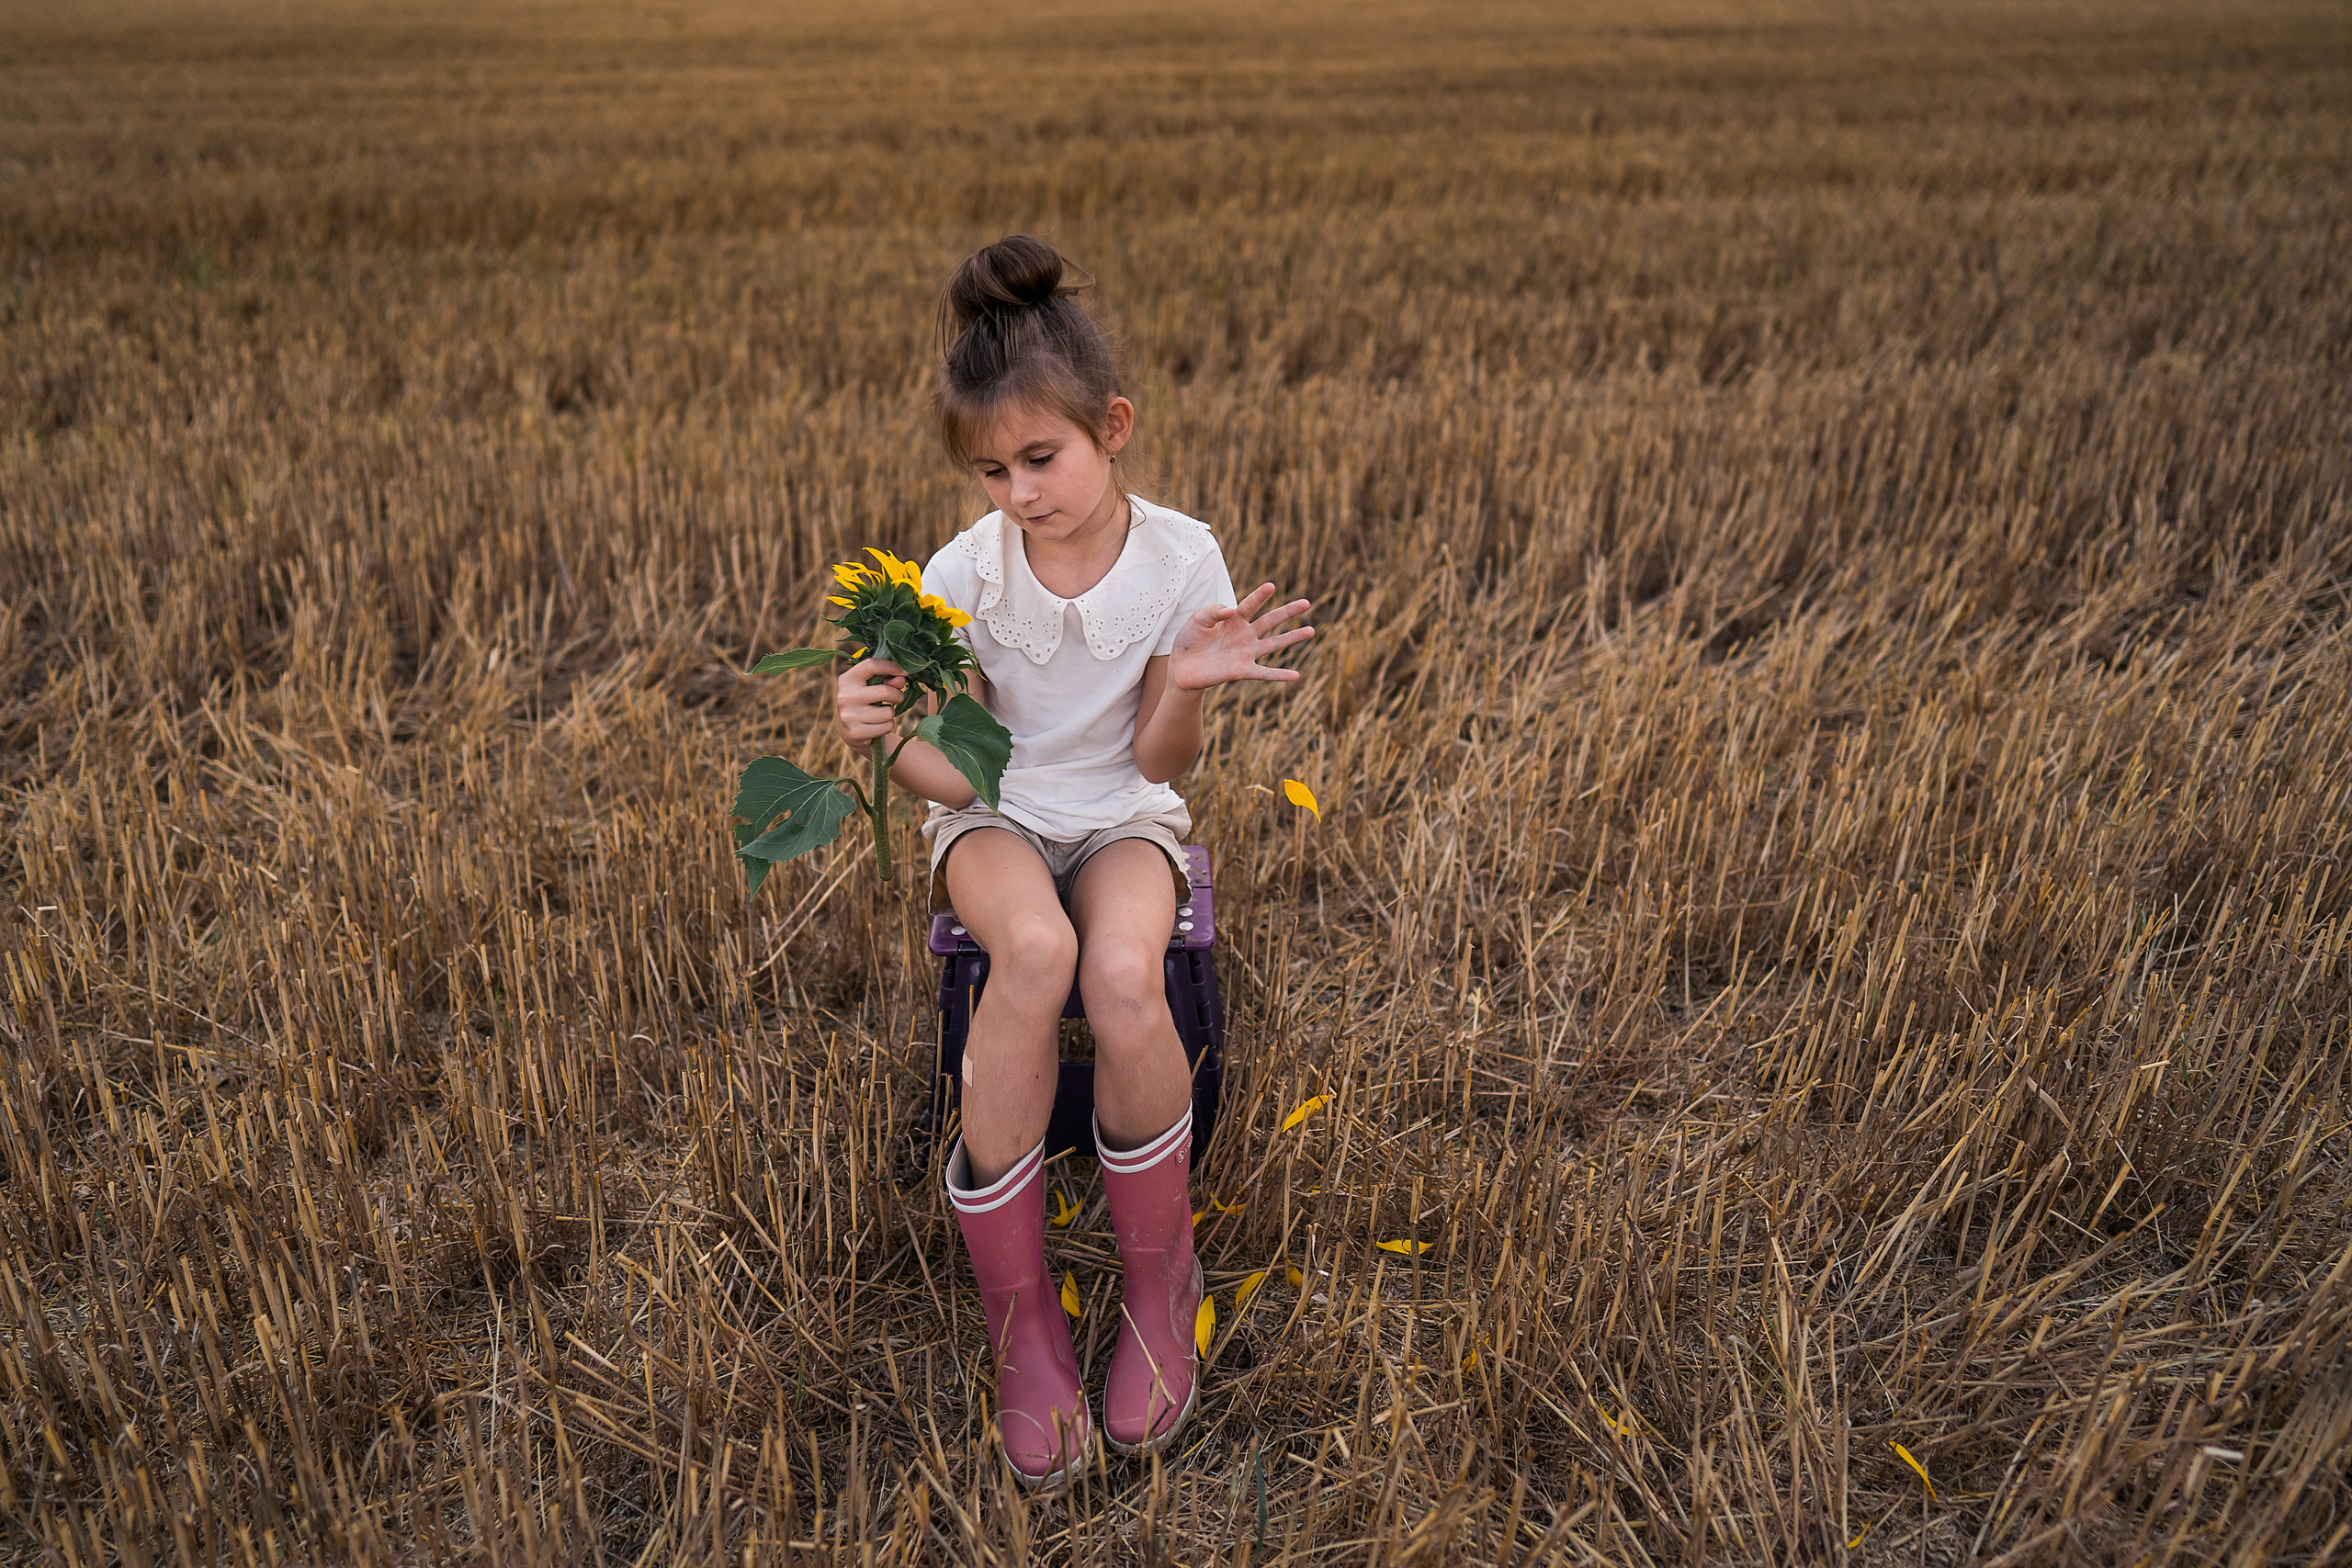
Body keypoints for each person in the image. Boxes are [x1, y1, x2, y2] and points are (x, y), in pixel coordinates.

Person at [831, 234, 1313, 1488]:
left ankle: (1160, 1287)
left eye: (1040, 459)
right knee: (1031, 950)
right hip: (994, 812)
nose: (1017, 494)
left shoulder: (1180, 559)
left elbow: (1158, 765)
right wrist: (888, 744)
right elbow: (963, 772)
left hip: (1122, 812)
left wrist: (1191, 684)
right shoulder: (958, 574)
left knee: (1123, 969)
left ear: (1115, 426)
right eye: (990, 470)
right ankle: (1021, 1321)